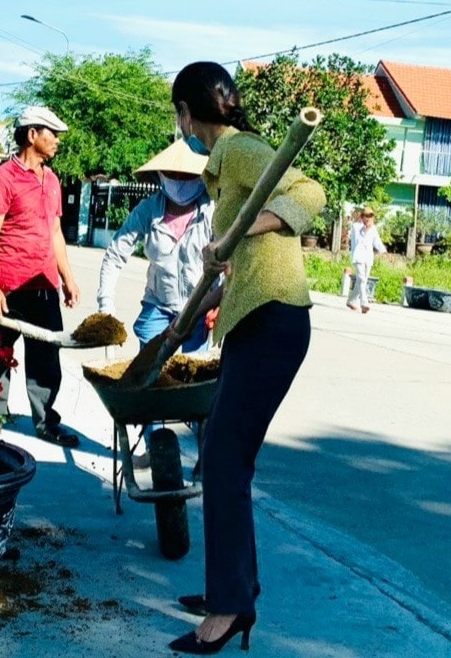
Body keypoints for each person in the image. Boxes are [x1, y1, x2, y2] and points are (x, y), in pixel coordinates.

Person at [166, 62, 325, 654]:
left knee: (226, 463)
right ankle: (230, 587)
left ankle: (231, 608)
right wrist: (213, 291)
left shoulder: (238, 149)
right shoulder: (225, 163)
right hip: (254, 318)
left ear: (186, 111)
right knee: (221, 459)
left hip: (274, 322)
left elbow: (310, 191)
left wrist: (248, 224)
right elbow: (242, 262)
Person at [0, 106, 82, 448]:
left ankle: (46, 421)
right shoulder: (3, 178)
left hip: (44, 288)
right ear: (31, 134)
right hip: (9, 288)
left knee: (46, 359)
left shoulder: (51, 179)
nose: (56, 141)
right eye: (51, 134)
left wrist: (67, 278)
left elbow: (55, 233)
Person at [96, 138, 215, 352]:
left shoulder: (212, 212)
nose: (179, 181)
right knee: (149, 369)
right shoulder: (147, 210)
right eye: (172, 175)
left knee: (191, 373)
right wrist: (106, 304)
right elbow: (115, 255)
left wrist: (219, 304)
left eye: (188, 176)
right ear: (160, 175)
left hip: (200, 308)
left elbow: (228, 261)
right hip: (158, 306)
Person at [347, 205, 385, 313]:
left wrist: (385, 252)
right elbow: (358, 238)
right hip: (358, 256)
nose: (368, 218)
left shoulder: (373, 228)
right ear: (362, 216)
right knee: (362, 279)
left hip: (368, 257)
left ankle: (351, 300)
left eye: (370, 216)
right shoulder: (356, 226)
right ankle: (364, 303)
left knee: (362, 280)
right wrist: (366, 228)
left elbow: (377, 242)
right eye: (366, 216)